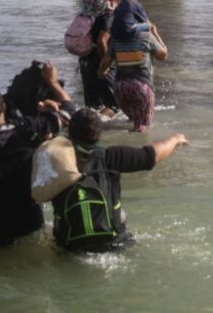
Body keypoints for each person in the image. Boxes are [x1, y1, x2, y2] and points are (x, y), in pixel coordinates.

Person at [51, 108, 189, 252]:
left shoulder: (55, 162)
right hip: (112, 243)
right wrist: (175, 139)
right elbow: (152, 156)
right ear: (99, 134)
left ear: (69, 134)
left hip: (70, 248)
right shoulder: (111, 157)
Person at [0, 86, 68, 246]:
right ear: (4, 107)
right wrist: (49, 101)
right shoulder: (28, 131)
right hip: (29, 223)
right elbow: (68, 115)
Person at [99, 0, 169, 132]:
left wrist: (101, 73)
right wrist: (155, 32)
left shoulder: (116, 39)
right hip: (142, 88)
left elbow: (104, 65)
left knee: (130, 122)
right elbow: (163, 55)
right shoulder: (146, 35)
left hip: (120, 89)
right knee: (142, 129)